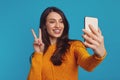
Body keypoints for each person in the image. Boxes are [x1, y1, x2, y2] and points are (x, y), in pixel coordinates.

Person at [27, 6, 106, 80]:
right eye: (52, 22)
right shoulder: (39, 54)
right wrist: (38, 53)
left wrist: (99, 54)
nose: (58, 25)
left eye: (61, 22)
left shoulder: (74, 46)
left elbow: (88, 65)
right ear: (45, 25)